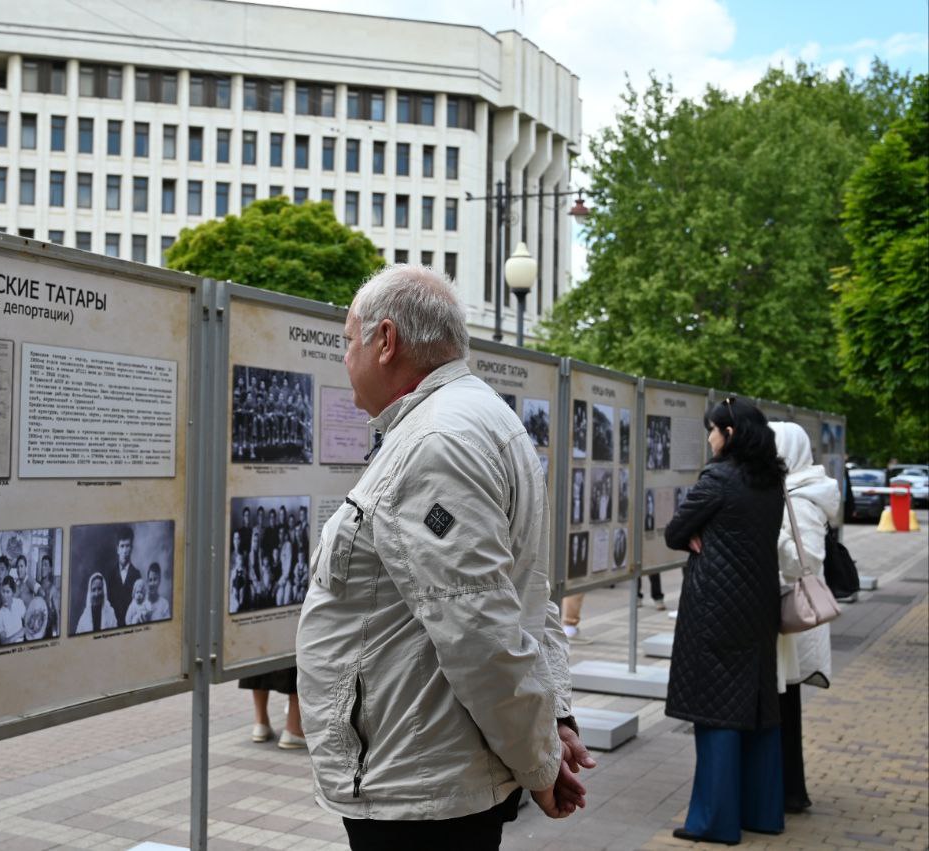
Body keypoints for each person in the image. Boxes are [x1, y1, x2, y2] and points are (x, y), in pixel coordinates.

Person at [296, 265, 593, 848]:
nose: (345, 358)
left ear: (385, 341)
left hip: (421, 785)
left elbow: (480, 631)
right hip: (430, 767)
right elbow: (525, 599)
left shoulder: (437, 442)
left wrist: (540, 760)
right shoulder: (473, 419)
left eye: (347, 341)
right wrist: (553, 720)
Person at [664, 396, 787, 845]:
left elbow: (676, 532)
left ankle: (714, 822)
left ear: (729, 434)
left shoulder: (717, 477)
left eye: (713, 430)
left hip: (715, 608)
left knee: (716, 713)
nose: (710, 437)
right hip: (759, 608)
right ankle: (763, 812)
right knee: (757, 710)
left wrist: (701, 533)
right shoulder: (772, 480)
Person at [770, 421, 838, 814]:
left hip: (792, 617)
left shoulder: (802, 499)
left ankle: (791, 791)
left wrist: (770, 535)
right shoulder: (797, 491)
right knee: (785, 705)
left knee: (785, 706)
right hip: (787, 620)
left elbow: (806, 561)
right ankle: (788, 789)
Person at [103, 527, 141, 626]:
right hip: (112, 625)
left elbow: (138, 604)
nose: (124, 550)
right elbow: (106, 603)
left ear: (131, 548)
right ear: (117, 549)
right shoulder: (110, 574)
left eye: (127, 546)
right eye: (122, 546)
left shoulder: (137, 574)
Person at [0, 576, 25, 644]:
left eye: (8, 592)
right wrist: (19, 633)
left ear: (13, 592)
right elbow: (3, 642)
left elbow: (27, 621)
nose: (4, 596)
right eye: (3, 591)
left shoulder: (19, 603)